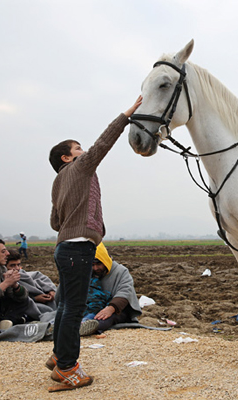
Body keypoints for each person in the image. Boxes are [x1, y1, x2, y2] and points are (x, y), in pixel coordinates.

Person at [45, 95, 142, 392]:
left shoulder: (58, 181)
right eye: (78, 148)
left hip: (64, 247)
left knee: (64, 307)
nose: (84, 151)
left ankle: (58, 357)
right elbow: (104, 142)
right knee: (74, 309)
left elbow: (54, 221)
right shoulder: (81, 168)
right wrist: (128, 114)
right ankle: (67, 369)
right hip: (77, 249)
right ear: (67, 157)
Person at [79, 243, 141, 334]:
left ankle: (90, 327)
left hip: (116, 310)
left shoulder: (121, 271)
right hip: (90, 307)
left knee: (106, 318)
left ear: (105, 260)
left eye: (99, 264)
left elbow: (125, 292)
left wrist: (111, 308)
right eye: (92, 265)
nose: (95, 268)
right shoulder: (86, 272)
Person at [5, 250, 56, 321]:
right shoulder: (5, 281)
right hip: (29, 305)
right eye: (12, 265)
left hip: (46, 299)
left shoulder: (23, 274)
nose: (16, 268)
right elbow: (13, 301)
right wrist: (35, 299)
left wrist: (51, 290)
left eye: (18, 265)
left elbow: (39, 276)